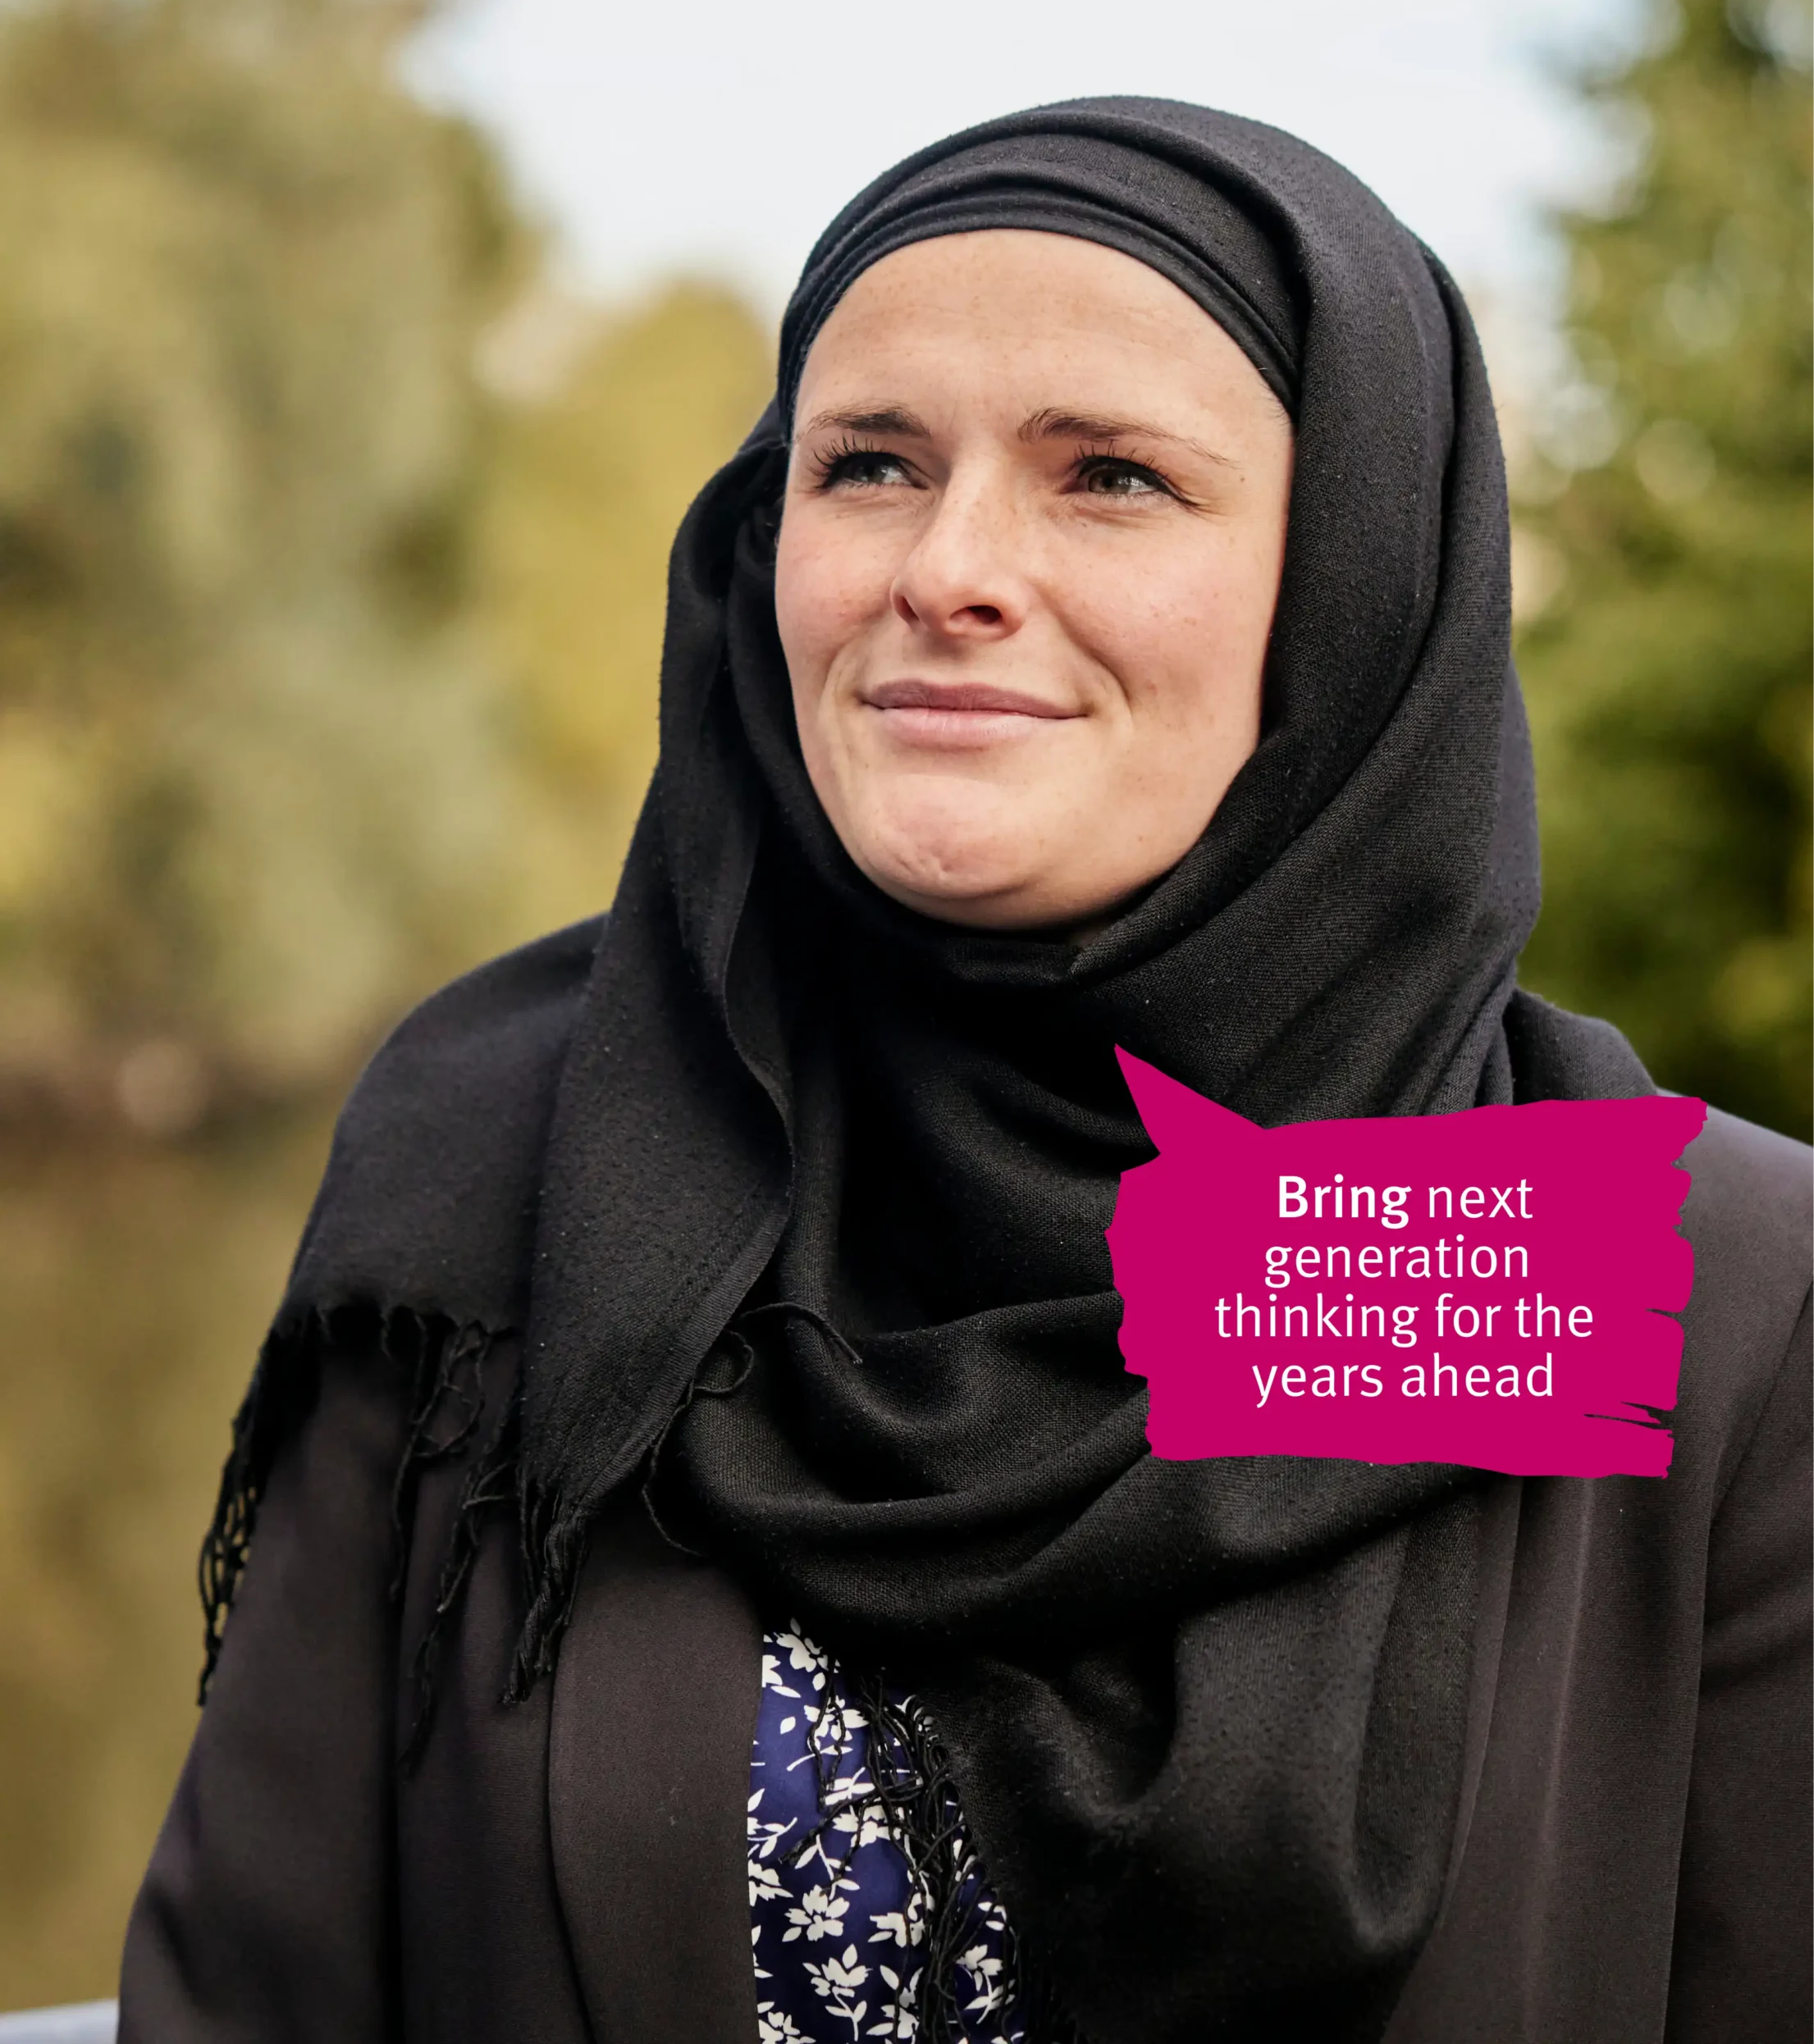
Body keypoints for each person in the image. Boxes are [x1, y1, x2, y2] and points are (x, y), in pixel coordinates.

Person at [119, 98, 1814, 2044]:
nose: (949, 566)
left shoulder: (1687, 1292)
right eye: (868, 465)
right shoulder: (501, 1183)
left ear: (1352, 586)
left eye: (1107, 475)